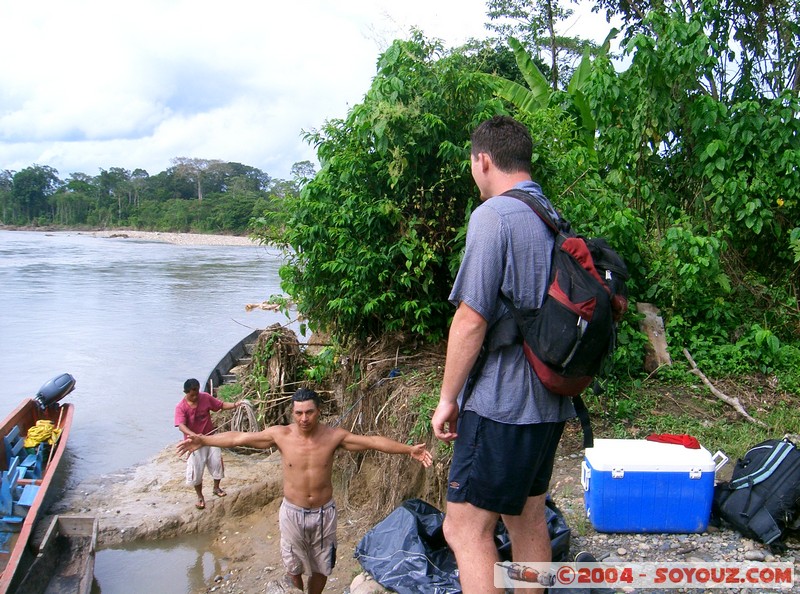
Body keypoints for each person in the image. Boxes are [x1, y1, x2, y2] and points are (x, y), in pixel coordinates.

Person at [431, 115, 575, 593]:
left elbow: (471, 320)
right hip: (551, 398)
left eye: (472, 165)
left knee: (464, 528)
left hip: (502, 406)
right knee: (527, 515)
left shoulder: (492, 216)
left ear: (484, 160)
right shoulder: (551, 215)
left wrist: (448, 398)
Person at [176, 387, 432, 594]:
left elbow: (372, 442)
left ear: (318, 412)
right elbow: (238, 438)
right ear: (292, 413)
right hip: (292, 513)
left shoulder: (334, 437)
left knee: (321, 568)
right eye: (298, 413)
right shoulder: (280, 435)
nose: (303, 418)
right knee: (293, 566)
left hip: (323, 514)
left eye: (309, 412)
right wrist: (204, 440)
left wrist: (409, 449)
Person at [175, 377, 244, 510]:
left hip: (211, 438)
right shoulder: (181, 407)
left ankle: (216, 487)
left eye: (197, 393)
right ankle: (200, 496)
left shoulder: (205, 397)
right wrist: (194, 435)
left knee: (217, 464)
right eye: (192, 395)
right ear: (186, 393)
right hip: (194, 443)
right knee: (196, 471)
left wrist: (235, 405)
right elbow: (181, 426)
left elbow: (220, 405)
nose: (195, 397)